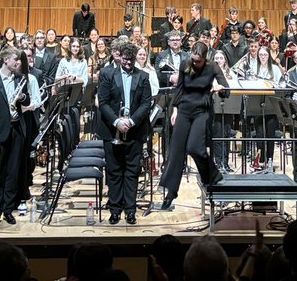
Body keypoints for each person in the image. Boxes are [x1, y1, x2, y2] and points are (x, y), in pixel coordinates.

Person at [158, 41, 228, 210]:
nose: (195, 63)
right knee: (176, 151)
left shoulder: (213, 68)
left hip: (201, 111)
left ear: (205, 58)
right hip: (183, 110)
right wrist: (175, 109)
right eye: (193, 60)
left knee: (195, 148)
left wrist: (220, 88)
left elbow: (227, 90)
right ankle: (171, 192)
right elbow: (180, 89)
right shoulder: (185, 64)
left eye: (198, 61)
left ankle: (212, 176)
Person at [97, 42, 152, 224]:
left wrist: (131, 121)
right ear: (119, 57)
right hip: (112, 130)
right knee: (113, 171)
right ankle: (114, 209)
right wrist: (117, 121)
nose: (128, 63)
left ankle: (130, 210)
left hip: (134, 131)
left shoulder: (143, 76)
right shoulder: (107, 74)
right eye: (125, 59)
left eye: (131, 60)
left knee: (132, 171)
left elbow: (146, 103)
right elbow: (103, 102)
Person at [0, 47, 38, 225]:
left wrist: (23, 97)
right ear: (6, 60)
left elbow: (28, 102)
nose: (19, 62)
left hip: (17, 130)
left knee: (13, 172)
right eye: (16, 59)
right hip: (0, 133)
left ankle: (8, 209)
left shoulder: (21, 79)